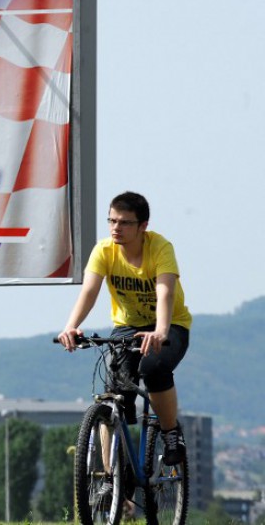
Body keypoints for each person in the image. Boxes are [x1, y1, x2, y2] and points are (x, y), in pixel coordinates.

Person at [57, 191, 191, 467]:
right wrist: (71, 327)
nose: (116, 228)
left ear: (143, 226)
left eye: (125, 222)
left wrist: (161, 331)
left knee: (152, 368)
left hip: (169, 325)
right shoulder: (104, 250)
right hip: (127, 327)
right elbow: (89, 292)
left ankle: (170, 433)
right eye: (112, 221)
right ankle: (112, 479)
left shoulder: (160, 248)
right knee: (115, 397)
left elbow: (165, 292)